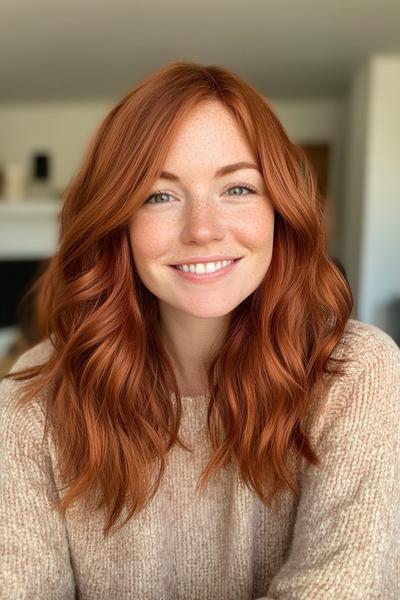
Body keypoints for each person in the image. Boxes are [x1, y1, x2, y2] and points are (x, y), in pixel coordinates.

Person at [0, 60, 399, 600]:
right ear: (117, 220)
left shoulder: (355, 373)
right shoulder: (35, 398)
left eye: (238, 188)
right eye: (159, 196)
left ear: (281, 208)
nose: (203, 230)